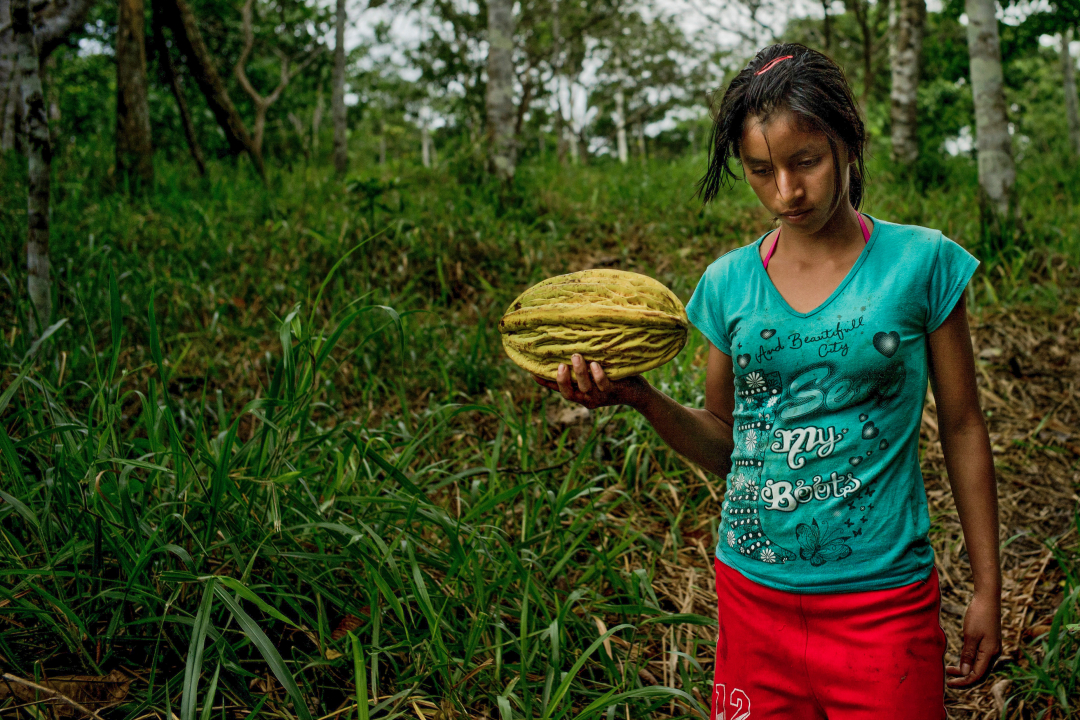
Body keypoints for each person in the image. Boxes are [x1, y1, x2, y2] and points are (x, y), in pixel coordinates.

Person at [533, 43, 1001, 718]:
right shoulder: (728, 284)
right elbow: (727, 445)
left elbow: (962, 425)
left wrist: (987, 585)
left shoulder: (921, 264)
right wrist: (640, 397)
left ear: (845, 143)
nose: (786, 191)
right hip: (754, 601)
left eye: (804, 161)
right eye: (760, 171)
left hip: (882, 605)